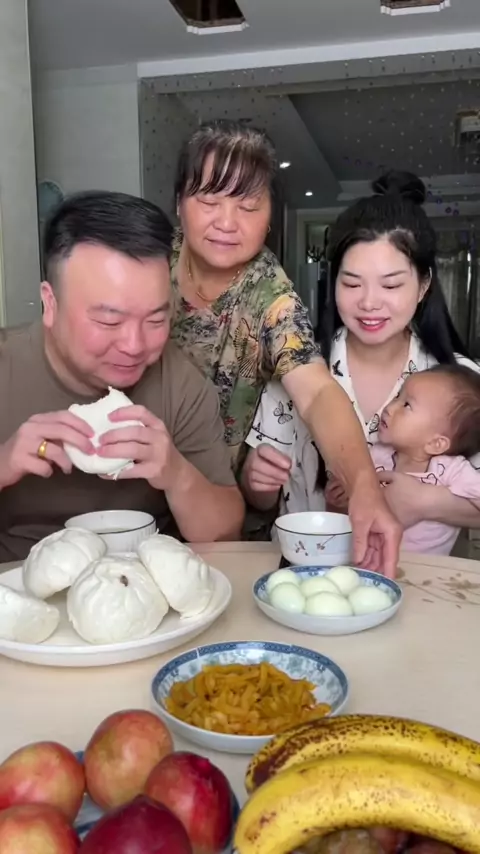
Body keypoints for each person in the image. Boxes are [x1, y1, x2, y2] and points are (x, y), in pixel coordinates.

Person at [170, 118, 400, 576]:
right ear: (179, 203)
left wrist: (364, 487)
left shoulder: (272, 297)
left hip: (223, 525)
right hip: (131, 499)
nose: (227, 222)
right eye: (209, 201)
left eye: (248, 205)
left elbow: (316, 392)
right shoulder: (147, 261)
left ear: (271, 214)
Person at [0, 191, 245, 562]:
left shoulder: (182, 384)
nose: (134, 346)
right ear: (50, 303)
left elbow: (226, 535)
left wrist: (176, 473)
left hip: (145, 582)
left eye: (156, 320)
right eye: (108, 321)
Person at [243, 171, 480, 547]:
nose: (369, 302)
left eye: (391, 284)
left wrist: (425, 500)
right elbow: (260, 500)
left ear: (423, 285)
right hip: (304, 569)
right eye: (352, 283)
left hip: (411, 577)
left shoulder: (462, 383)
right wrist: (257, 481)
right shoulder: (296, 369)